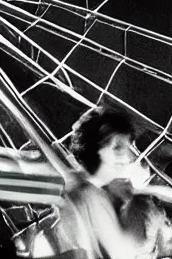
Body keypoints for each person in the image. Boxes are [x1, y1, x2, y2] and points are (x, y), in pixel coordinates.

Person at [51, 106, 139, 259]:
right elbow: (123, 253)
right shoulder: (90, 195)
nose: (126, 157)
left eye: (126, 148)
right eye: (117, 147)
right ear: (95, 148)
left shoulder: (76, 186)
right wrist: (137, 212)